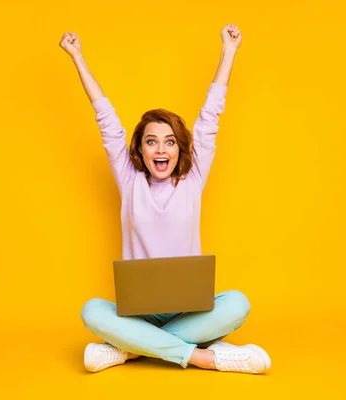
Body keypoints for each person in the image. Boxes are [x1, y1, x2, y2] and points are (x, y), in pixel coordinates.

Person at [60, 24, 271, 374]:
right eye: (151, 141)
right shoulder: (129, 179)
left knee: (237, 304)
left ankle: (130, 349)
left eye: (170, 141)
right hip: (137, 310)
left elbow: (210, 118)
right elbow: (107, 121)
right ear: (139, 150)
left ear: (179, 148)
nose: (161, 149)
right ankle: (202, 356)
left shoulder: (193, 177)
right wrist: (77, 57)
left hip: (189, 310)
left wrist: (229, 52)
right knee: (92, 311)